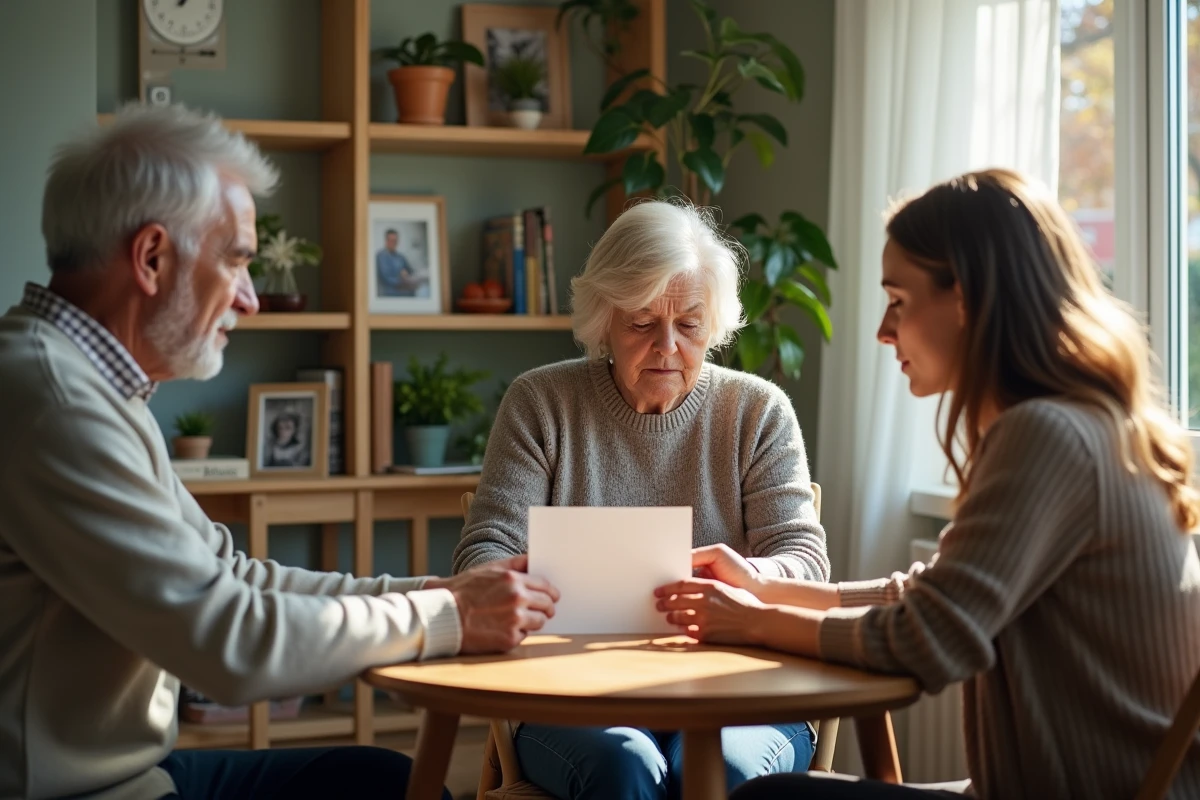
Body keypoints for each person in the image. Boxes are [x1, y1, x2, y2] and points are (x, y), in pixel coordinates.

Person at [0, 103, 560, 800]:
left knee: (379, 779)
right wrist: (448, 619)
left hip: (137, 772)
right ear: (151, 257)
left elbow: (225, 572)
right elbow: (226, 641)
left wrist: (431, 593)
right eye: (236, 260)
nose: (251, 298)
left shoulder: (90, 384)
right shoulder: (54, 403)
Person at [653, 169, 1200, 799]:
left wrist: (755, 622)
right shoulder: (1085, 423)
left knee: (768, 797)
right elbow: (931, 597)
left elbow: (927, 637)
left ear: (964, 297)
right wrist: (765, 586)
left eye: (898, 300)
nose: (885, 331)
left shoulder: (1048, 435)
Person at [452, 199, 830, 800]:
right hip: (570, 692)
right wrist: (548, 581)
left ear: (716, 324)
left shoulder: (757, 412)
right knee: (623, 765)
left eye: (689, 324)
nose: (667, 347)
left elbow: (804, 563)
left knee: (724, 772)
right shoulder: (541, 404)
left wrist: (749, 576)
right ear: (604, 319)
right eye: (642, 322)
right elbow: (482, 558)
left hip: (741, 690)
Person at [376, 228, 419, 297]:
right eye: (391, 240)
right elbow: (385, 278)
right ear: (386, 241)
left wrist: (407, 274)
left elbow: (410, 270)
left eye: (395, 241)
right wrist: (402, 281)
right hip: (390, 292)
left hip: (405, 289)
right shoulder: (381, 256)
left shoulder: (401, 257)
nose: (394, 243)